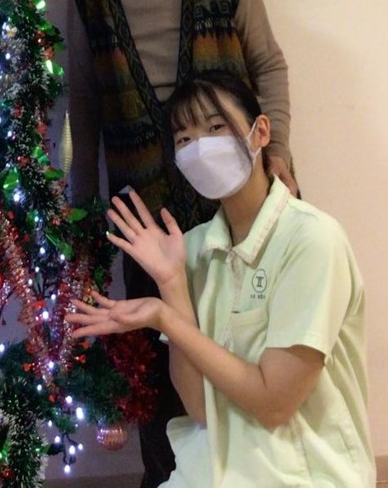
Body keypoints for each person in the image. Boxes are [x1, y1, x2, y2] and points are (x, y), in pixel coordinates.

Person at [66, 0, 293, 486]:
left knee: (252, 339)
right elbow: (83, 102)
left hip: (240, 189)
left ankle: (260, 473)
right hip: (146, 206)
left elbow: (268, 62)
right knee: (161, 354)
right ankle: (169, 476)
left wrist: (277, 149)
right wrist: (84, 211)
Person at [68, 70, 374, 488]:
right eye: (184, 139)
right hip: (212, 466)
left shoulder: (313, 240)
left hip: (304, 472)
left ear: (260, 131)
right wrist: (172, 283)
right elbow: (199, 407)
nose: (200, 148)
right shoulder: (192, 249)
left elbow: (274, 405)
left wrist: (165, 317)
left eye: (215, 128)